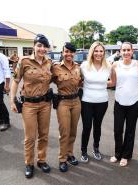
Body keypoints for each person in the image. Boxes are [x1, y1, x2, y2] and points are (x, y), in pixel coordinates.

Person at [10, 34, 52, 178]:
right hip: (29, 105)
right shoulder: (24, 61)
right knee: (30, 137)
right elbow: (15, 81)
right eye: (39, 45)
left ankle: (42, 160)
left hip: (45, 104)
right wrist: (12, 100)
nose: (42, 49)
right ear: (34, 46)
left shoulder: (49, 63)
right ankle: (29, 163)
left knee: (44, 135)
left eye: (44, 46)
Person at [109, 42, 138, 167]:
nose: (126, 52)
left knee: (130, 130)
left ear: (132, 51)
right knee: (117, 130)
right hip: (119, 102)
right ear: (120, 52)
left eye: (129, 50)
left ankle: (126, 155)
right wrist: (91, 83)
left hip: (134, 102)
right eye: (124, 50)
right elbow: (112, 82)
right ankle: (117, 153)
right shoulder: (115, 65)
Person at [52, 42, 81, 172]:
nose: (68, 54)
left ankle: (70, 154)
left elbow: (82, 82)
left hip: (76, 102)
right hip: (63, 102)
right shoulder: (56, 68)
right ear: (62, 53)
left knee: (73, 131)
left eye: (71, 51)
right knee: (65, 132)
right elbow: (45, 80)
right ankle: (62, 159)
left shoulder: (78, 67)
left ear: (74, 53)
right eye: (66, 51)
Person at [80, 41, 111, 163]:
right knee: (87, 127)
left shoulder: (109, 66)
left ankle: (96, 149)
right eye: (96, 51)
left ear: (104, 53)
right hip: (87, 101)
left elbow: (112, 82)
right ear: (92, 52)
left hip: (102, 101)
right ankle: (83, 151)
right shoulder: (84, 65)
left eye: (101, 51)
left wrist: (101, 85)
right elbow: (78, 81)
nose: (98, 53)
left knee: (97, 126)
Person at [0, 40, 11, 131]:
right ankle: (0, 119)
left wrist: (7, 85)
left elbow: (7, 71)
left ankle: (6, 122)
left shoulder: (1, 57)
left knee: (0, 102)